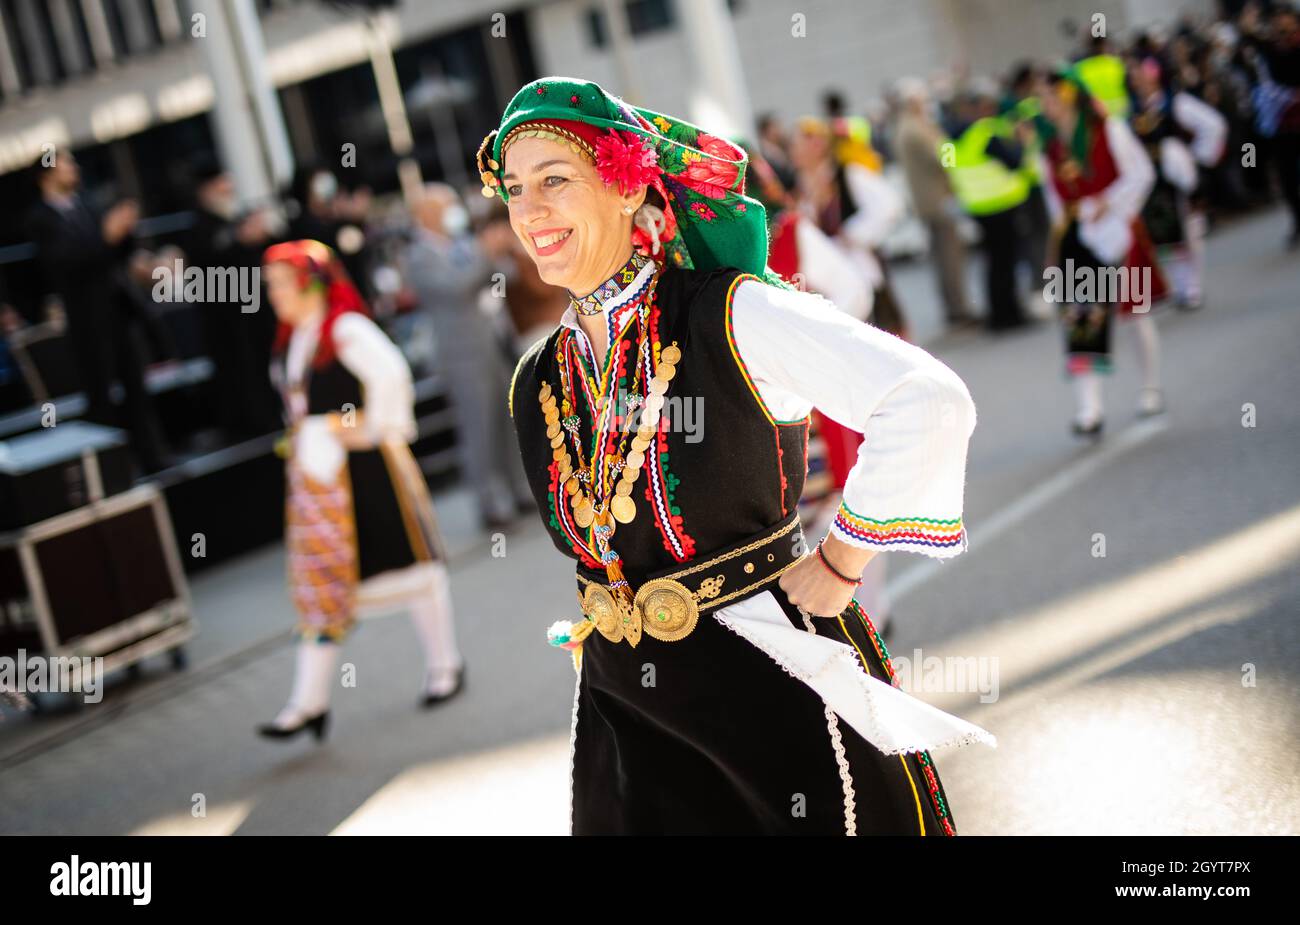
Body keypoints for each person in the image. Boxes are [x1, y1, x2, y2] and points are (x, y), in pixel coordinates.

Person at [484, 76, 994, 835]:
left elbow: (928, 398)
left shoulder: (729, 312)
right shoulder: (538, 376)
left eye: (556, 180)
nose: (530, 212)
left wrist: (843, 558)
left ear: (627, 185)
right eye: (516, 190)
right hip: (627, 711)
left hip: (770, 682)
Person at [257, 240, 464, 742]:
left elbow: (392, 376)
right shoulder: (296, 339)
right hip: (320, 480)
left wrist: (368, 426)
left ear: (311, 282)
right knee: (324, 582)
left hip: (369, 470)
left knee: (410, 562)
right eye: (272, 286)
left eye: (283, 283)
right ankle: (308, 702)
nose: (275, 294)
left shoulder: (345, 329)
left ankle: (445, 664)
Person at [1036, 68, 1166, 438]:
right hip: (1077, 238)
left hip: (1119, 230)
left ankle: (1150, 388)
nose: (1044, 105)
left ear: (1067, 94)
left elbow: (1141, 173)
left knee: (1135, 314)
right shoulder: (1050, 147)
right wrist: (1059, 242)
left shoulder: (1108, 129)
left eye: (1048, 95)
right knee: (1080, 321)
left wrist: (1109, 204)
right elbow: (1052, 200)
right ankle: (1088, 408)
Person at [25, 148, 170, 472]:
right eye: (65, 164)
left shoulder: (87, 205)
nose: (73, 169)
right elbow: (66, 262)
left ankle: (152, 457)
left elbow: (115, 253)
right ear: (47, 174)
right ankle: (113, 469)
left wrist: (123, 233)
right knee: (101, 396)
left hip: (117, 310)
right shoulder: (41, 219)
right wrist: (107, 237)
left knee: (137, 387)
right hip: (88, 319)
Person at [405, 183, 536, 531]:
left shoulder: (459, 244)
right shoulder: (419, 255)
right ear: (426, 214)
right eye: (446, 205)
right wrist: (484, 252)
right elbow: (456, 288)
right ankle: (490, 504)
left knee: (505, 422)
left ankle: (519, 491)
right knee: (479, 429)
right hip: (463, 355)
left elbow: (500, 279)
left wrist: (498, 253)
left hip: (493, 344)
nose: (453, 211)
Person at [179, 155, 281, 439]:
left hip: (254, 313)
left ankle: (271, 417)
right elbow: (209, 265)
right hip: (226, 321)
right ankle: (251, 428)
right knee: (241, 377)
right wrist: (239, 240)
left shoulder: (235, 219)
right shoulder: (198, 228)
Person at [947, 82, 1033, 331]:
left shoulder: (949, 139)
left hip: (977, 207)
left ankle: (998, 315)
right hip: (1002, 204)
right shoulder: (984, 133)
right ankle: (1010, 315)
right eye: (989, 106)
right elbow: (1014, 162)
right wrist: (1022, 142)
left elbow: (948, 167)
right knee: (1006, 263)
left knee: (992, 263)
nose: (992, 111)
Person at [894, 77, 976, 327]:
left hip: (928, 202)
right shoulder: (917, 128)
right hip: (938, 201)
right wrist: (945, 140)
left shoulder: (905, 127)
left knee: (943, 257)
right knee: (950, 257)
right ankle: (959, 309)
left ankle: (955, 308)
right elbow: (944, 157)